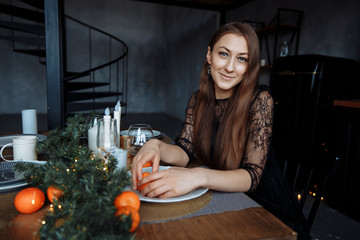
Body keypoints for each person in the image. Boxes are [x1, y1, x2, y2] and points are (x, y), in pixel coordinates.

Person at [131, 22, 311, 240]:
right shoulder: (198, 99)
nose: (230, 67)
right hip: (222, 195)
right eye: (224, 54)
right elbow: (184, 150)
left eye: (241, 59)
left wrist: (196, 176)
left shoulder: (260, 100)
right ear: (209, 55)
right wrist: (156, 145)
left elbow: (251, 177)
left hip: (263, 205)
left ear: (249, 65)